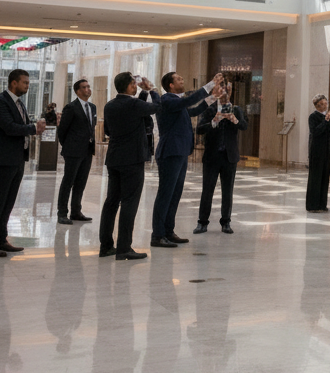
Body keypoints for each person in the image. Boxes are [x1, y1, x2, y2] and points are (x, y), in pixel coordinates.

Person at [150, 70, 222, 249]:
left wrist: (213, 98)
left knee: (175, 194)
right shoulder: (167, 100)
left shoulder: (177, 103)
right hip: (170, 152)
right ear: (170, 85)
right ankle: (157, 235)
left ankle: (168, 231)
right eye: (178, 79)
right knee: (165, 195)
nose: (182, 80)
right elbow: (189, 101)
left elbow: (194, 110)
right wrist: (210, 85)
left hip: (180, 152)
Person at [0, 69, 46, 258]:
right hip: (3, 159)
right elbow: (9, 128)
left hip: (17, 158)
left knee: (8, 202)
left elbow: (21, 125)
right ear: (13, 83)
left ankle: (1, 239)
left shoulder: (19, 103)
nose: (27, 86)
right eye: (25, 83)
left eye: (28, 83)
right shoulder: (0, 102)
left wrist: (35, 126)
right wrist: (33, 128)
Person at [99, 72, 159, 261]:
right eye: (134, 84)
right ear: (129, 85)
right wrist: (151, 90)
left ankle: (106, 246)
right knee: (129, 202)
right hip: (132, 159)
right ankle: (124, 247)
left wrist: (142, 93)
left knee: (111, 202)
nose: (135, 86)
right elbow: (157, 107)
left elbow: (108, 130)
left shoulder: (109, 105)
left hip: (114, 158)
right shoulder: (133, 105)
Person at [193, 82, 247, 235]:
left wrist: (234, 120)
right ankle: (202, 222)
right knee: (207, 190)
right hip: (212, 156)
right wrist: (214, 121)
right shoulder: (209, 110)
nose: (225, 92)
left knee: (227, 191)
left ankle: (226, 222)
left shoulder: (236, 110)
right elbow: (199, 129)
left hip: (230, 157)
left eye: (228, 90)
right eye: (222, 89)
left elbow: (244, 126)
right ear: (217, 91)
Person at [56, 78, 97, 225]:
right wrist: (68, 146)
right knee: (68, 181)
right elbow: (62, 130)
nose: (88, 89)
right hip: (73, 151)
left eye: (88, 86)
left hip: (87, 150)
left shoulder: (92, 107)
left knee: (81, 182)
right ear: (77, 91)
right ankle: (62, 213)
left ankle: (76, 211)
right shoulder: (71, 107)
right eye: (84, 87)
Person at [305, 95, 330, 213]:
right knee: (315, 178)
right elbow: (315, 132)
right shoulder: (313, 117)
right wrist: (326, 121)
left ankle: (322, 204)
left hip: (327, 150)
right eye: (322, 104)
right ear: (317, 105)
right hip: (316, 151)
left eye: (326, 103)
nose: (325, 106)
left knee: (325, 177)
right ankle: (313, 205)